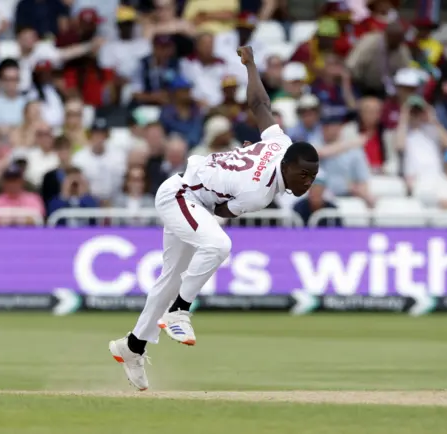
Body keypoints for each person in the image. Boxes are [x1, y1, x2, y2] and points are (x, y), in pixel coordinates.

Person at [108, 45, 319, 391]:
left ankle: (133, 347)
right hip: (181, 195)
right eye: (304, 175)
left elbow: (259, 105)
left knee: (170, 277)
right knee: (219, 245)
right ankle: (179, 311)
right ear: (288, 166)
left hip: (193, 195)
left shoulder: (282, 143)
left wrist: (250, 64)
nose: (307, 183)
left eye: (312, 177)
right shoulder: (259, 193)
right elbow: (221, 210)